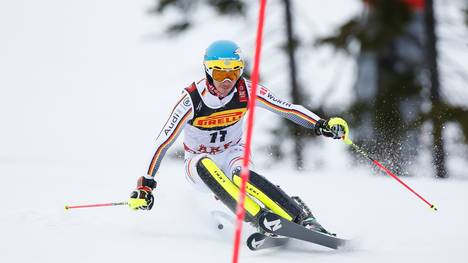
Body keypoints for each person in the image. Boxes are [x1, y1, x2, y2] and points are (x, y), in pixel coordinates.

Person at [128, 40, 350, 235]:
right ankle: (259, 218)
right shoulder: (192, 99)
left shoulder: (246, 90)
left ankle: (302, 219)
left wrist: (321, 124)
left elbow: (286, 108)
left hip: (233, 151)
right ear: (207, 72)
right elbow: (163, 142)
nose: (227, 81)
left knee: (240, 174)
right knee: (206, 164)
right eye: (220, 74)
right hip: (197, 163)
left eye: (233, 73)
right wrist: (146, 185)